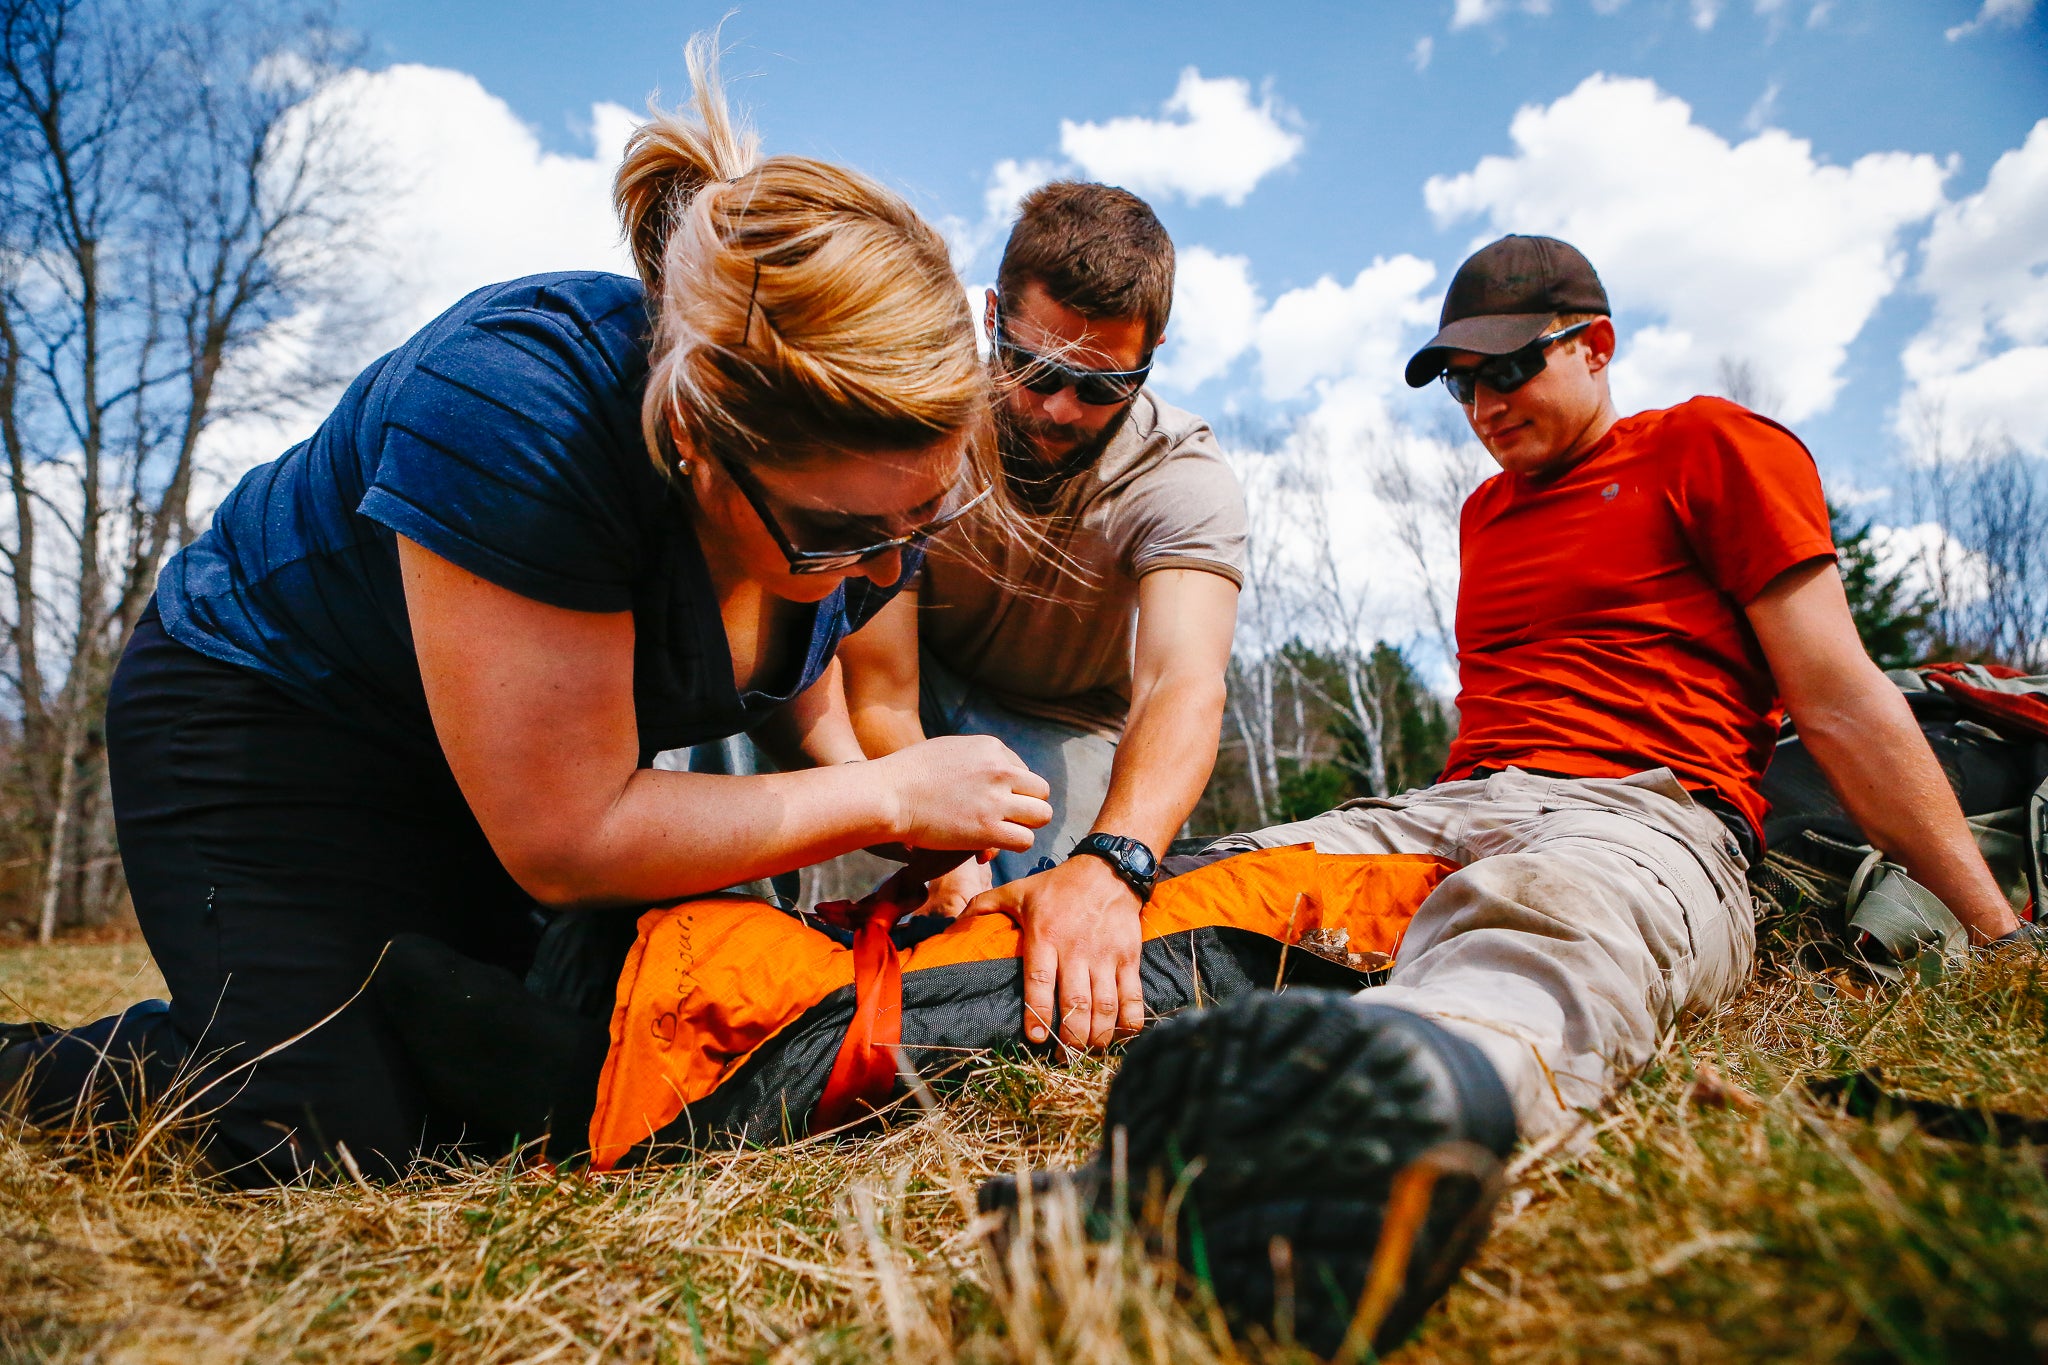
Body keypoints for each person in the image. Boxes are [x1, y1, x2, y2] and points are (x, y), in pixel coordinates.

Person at [0, 39, 1052, 1184]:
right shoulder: (515, 409)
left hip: (499, 772)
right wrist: (883, 792)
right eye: (839, 537)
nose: (879, 569)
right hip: (271, 722)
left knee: (524, 1073)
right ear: (695, 442)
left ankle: (273, 1025)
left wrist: (912, 835)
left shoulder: (851, 508)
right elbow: (568, 836)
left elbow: (802, 688)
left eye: (919, 523)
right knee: (337, 1148)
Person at [990, 234, 2031, 1355]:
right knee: (1188, 887)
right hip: (1448, 806)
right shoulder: (1483, 516)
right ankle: (864, 1023)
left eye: (1507, 369)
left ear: (1595, 347)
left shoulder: (1709, 444)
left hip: (1646, 811)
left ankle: (1395, 1112)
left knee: (1551, 918)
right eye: (1458, 381)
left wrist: (1996, 929)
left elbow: (1836, 699)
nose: (1480, 403)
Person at [838, 182, 1245, 1054]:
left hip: (1058, 728)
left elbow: (1182, 681)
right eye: (1038, 370)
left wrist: (1117, 860)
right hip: (907, 685)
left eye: (1101, 386)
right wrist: (939, 842)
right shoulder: (926, 412)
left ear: (1154, 353)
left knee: (1063, 916)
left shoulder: (1184, 473)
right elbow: (879, 688)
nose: (1061, 409)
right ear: (992, 316)